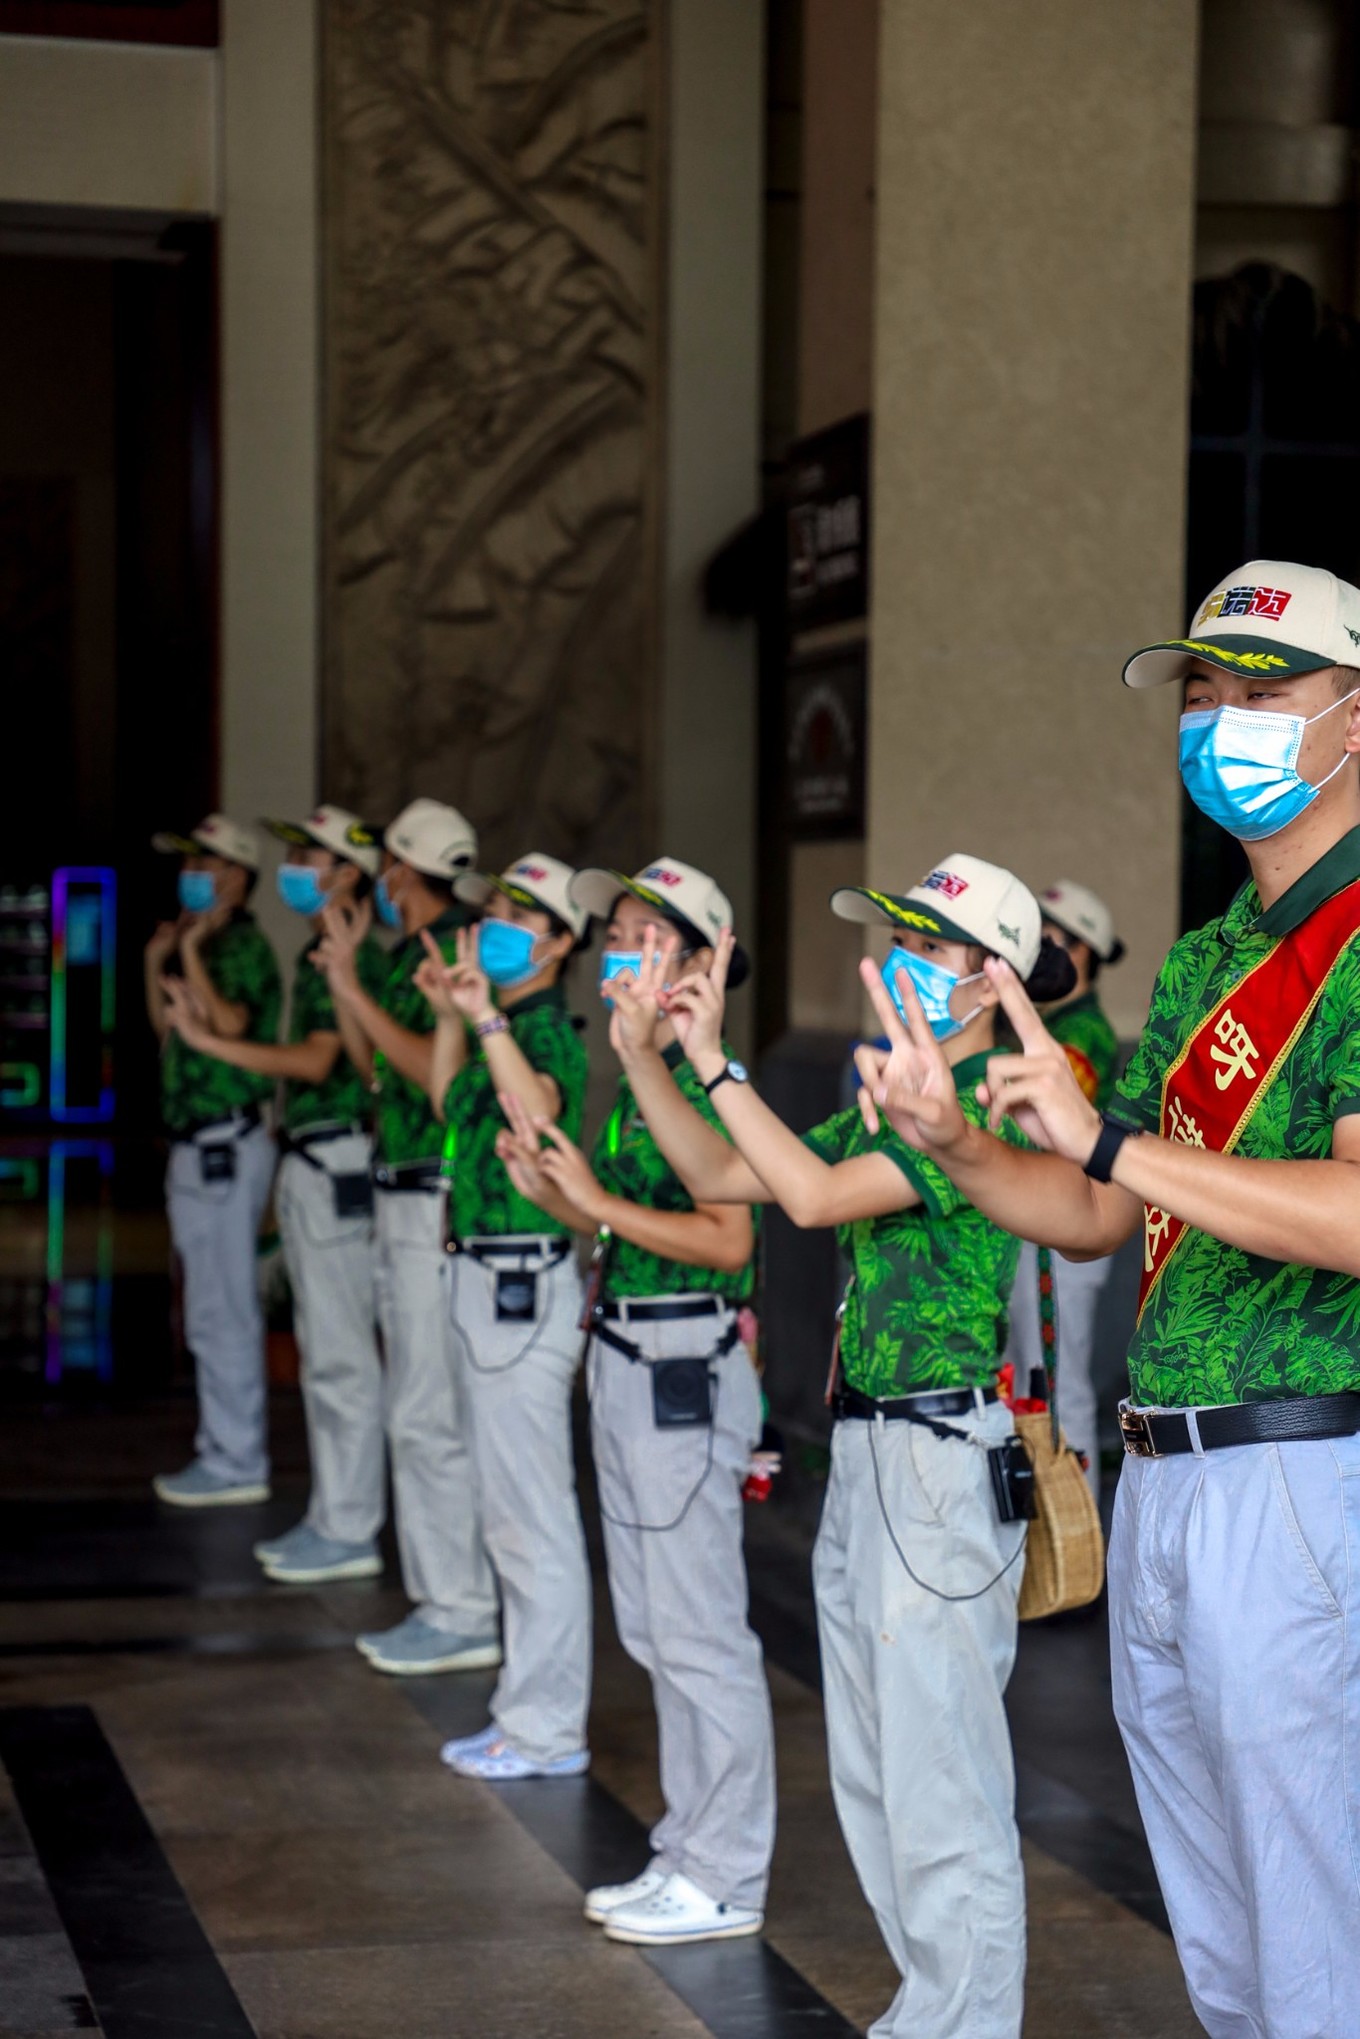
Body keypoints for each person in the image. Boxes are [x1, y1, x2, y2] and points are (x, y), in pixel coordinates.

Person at [855, 558, 1360, 2039]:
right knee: (1215, 1906)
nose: (1219, 719)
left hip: (1297, 1472)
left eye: (1262, 693)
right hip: (1167, 1474)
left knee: (1312, 1900)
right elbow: (1091, 1211)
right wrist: (961, 1140)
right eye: (1202, 689)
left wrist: (1112, 1140)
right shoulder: (1209, 954)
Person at [600, 856, 1071, 2037]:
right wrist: (650, 1058)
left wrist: (715, 1060)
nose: (898, 959)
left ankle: (964, 2022)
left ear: (989, 984)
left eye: (929, 942)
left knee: (940, 1777)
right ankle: (932, 2006)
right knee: (872, 1766)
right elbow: (723, 1169)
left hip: (934, 1453)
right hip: (871, 1452)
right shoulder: (890, 1099)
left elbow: (806, 1197)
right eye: (897, 933)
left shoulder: (977, 1118)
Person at [495, 857, 773, 1948]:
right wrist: (566, 1195)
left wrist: (598, 1200)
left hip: (681, 1369)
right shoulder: (635, 1065)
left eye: (642, 933)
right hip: (630, 1353)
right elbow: (628, 1223)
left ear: (700, 965)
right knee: (657, 1624)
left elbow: (727, 1239)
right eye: (612, 926)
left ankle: (727, 1866)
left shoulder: (713, 1079)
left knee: (699, 1627)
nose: (619, 946)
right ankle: (690, 1846)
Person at [164, 805, 391, 1582]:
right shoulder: (318, 952)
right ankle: (336, 1516)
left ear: (350, 871)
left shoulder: (346, 959)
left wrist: (211, 1042)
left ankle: (349, 1523)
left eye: (311, 855)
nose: (298, 865)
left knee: (341, 1357)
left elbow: (318, 1063)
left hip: (337, 1159)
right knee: (326, 1355)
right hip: (311, 1157)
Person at [414, 853, 593, 1781]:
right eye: (494, 907)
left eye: (522, 913)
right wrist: (455, 1015)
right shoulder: (502, 1025)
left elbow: (533, 1109)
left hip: (521, 1284)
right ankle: (526, 1711)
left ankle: (547, 1724)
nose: (495, 921)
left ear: (561, 942)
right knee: (508, 1509)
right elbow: (453, 1102)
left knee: (532, 1515)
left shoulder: (546, 1030)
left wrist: (481, 1014)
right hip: (480, 1277)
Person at [316, 797, 499, 1676]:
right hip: (399, 1190)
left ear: (400, 868)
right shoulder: (399, 953)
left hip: (437, 1194)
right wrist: (351, 980)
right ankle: (446, 1597)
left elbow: (436, 1080)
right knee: (415, 1402)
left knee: (430, 1407)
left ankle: (460, 1605)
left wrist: (350, 989)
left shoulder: (465, 948)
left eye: (386, 864)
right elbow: (374, 1068)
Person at [144, 814, 281, 1506]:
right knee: (206, 1308)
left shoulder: (242, 947)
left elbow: (229, 1025)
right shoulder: (205, 940)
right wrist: (158, 960)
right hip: (196, 1145)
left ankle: (236, 1457)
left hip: (227, 1143)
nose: (193, 876)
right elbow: (173, 1032)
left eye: (207, 865)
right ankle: (221, 1449)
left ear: (237, 876)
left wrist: (190, 952)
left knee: (224, 1307)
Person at [1003, 879, 1124, 1499]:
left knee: (1060, 1378)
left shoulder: (1083, 1032)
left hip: (1068, 1224)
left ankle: (1076, 1555)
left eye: (1055, 935)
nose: (1041, 945)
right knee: (1032, 1375)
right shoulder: (1048, 1023)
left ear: (1084, 951)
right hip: (1042, 1218)